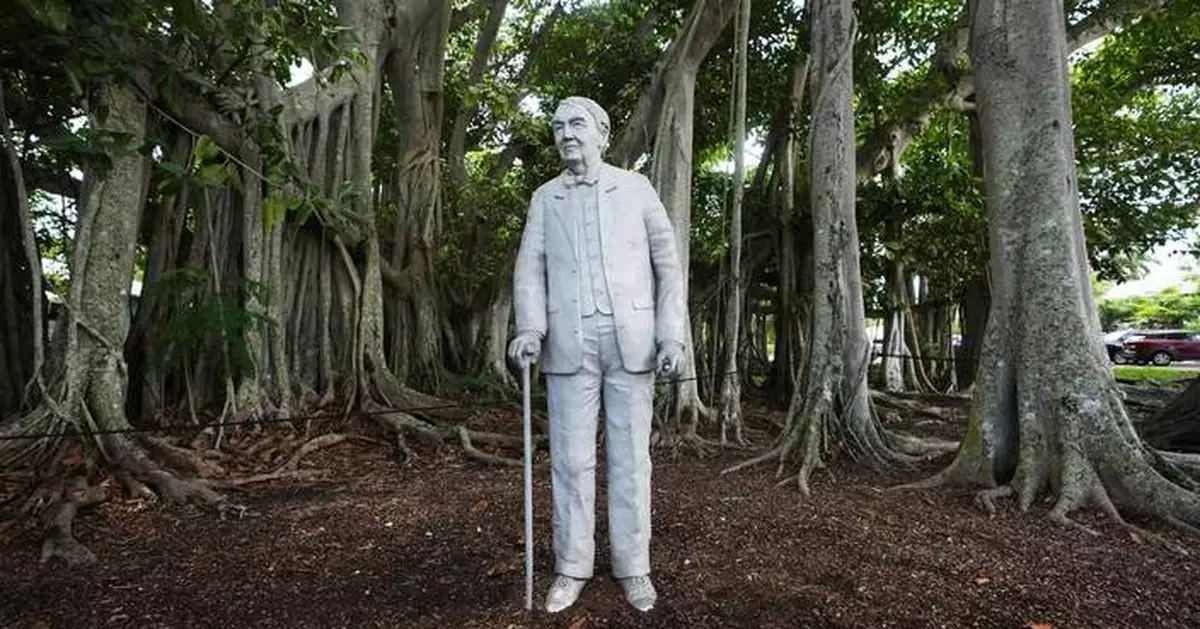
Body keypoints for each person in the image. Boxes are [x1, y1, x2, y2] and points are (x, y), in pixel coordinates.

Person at [507, 95, 687, 614]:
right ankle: (571, 566)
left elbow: (668, 266)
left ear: (603, 134)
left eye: (577, 124)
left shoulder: (636, 188)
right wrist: (529, 329)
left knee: (631, 460)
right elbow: (530, 268)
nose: (566, 133)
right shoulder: (545, 198)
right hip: (568, 342)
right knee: (570, 460)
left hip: (633, 340)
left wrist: (671, 337)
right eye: (558, 126)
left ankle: (633, 566)